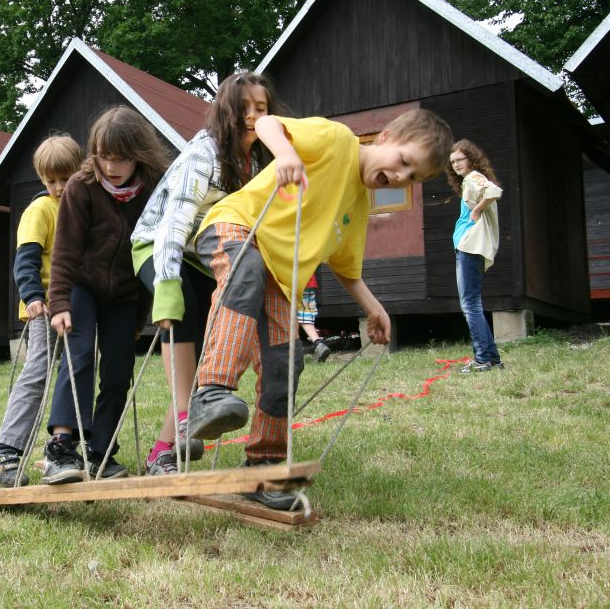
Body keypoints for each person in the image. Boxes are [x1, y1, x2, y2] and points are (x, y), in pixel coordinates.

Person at [187, 109, 453, 509]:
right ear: (383, 138)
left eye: (413, 177)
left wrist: (375, 309)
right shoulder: (337, 140)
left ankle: (263, 470)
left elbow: (347, 269)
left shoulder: (358, 206)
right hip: (237, 227)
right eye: (403, 161)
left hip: (279, 276)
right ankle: (210, 393)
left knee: (286, 362)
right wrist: (286, 154)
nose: (401, 177)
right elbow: (266, 124)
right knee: (245, 274)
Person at [130, 71, 281, 476]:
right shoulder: (204, 153)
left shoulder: (262, 161)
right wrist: (165, 287)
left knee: (205, 346)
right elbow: (173, 224)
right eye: (243, 109)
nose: (253, 117)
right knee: (182, 308)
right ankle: (186, 420)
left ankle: (162, 452)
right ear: (225, 112)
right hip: (159, 245)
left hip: (201, 254)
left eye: (261, 108)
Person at [42, 106, 168, 484]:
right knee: (79, 356)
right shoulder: (81, 187)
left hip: (124, 296)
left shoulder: (152, 192)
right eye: (104, 157)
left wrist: (140, 317)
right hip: (81, 286)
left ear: (138, 155)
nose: (111, 167)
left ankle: (100, 452)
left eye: (121, 158)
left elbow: (149, 255)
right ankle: (62, 448)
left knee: (118, 371)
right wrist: (59, 302)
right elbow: (64, 251)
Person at [0, 135, 84, 487]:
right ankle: (6, 451)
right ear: (42, 179)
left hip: (76, 307)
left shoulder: (80, 208)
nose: (59, 187)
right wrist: (31, 296)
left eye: (66, 179)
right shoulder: (40, 210)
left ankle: (63, 448)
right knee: (38, 372)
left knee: (74, 374)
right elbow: (25, 259)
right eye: (51, 180)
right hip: (43, 306)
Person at [447, 139, 505, 373]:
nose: (456, 165)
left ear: (470, 159)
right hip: (468, 247)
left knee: (470, 304)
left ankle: (483, 359)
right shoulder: (468, 181)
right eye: (452, 162)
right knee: (473, 303)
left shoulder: (473, 177)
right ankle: (492, 358)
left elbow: (495, 191)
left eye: (459, 159)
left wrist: (478, 209)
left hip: (469, 246)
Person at [297, 271, 331, 363]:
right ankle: (318, 343)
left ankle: (293, 350)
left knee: (287, 314)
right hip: (307, 279)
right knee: (305, 314)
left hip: (287, 280)